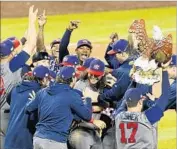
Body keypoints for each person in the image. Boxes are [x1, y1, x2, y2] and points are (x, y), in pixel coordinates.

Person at [25, 66, 92, 149]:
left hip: (38, 139)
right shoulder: (72, 95)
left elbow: (29, 108)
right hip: (55, 142)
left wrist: (32, 100)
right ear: (73, 79)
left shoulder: (42, 92)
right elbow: (87, 116)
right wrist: (88, 99)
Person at [0, 6, 38, 148]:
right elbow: (31, 44)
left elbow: (22, 43)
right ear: (12, 54)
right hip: (9, 116)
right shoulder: (13, 65)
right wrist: (31, 20)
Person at [115, 64, 170, 149]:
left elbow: (124, 101)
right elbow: (165, 95)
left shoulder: (118, 116)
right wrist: (165, 69)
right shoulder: (147, 118)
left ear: (126, 102)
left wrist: (134, 81)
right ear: (140, 102)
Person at [4, 65, 50, 149]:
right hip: (26, 140)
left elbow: (9, 100)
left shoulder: (15, 88)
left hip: (10, 138)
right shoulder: (40, 93)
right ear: (44, 79)